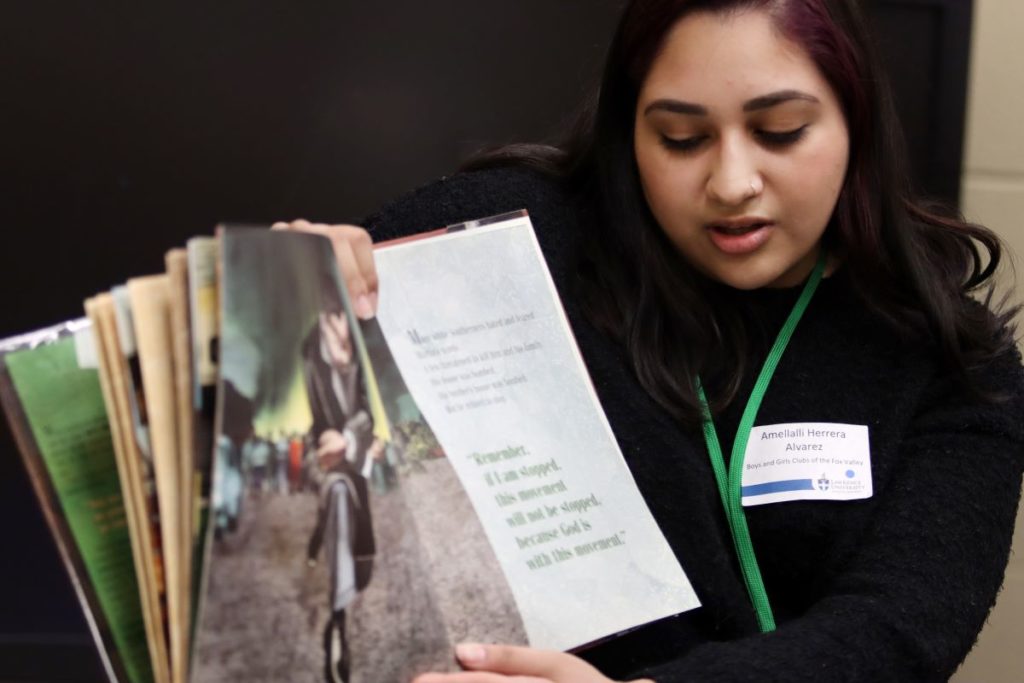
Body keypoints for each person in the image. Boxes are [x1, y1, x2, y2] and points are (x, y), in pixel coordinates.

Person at [275, 1, 1024, 681]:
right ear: (629, 131)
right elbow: (294, 314)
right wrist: (300, 273)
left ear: (855, 121)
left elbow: (895, 631)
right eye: (682, 137)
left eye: (780, 132)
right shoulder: (519, 242)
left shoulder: (950, 362)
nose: (731, 182)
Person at [301, 286, 376, 683]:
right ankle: (338, 630)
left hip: (361, 463)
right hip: (336, 473)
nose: (339, 330)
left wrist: (350, 439)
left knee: (365, 566)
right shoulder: (312, 356)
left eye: (341, 318)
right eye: (330, 320)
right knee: (340, 517)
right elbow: (317, 424)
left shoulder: (362, 352)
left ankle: (341, 620)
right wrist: (328, 448)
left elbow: (367, 413)